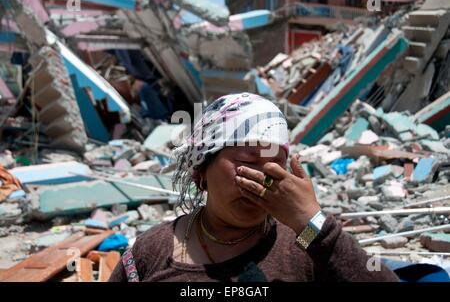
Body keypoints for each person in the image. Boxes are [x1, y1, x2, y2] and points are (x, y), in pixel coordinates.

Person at [109, 93, 399, 282]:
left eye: (277, 164)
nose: (263, 177)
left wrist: (314, 224)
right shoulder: (150, 252)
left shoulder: (305, 246)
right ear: (202, 172)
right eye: (246, 161)